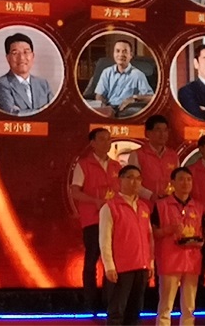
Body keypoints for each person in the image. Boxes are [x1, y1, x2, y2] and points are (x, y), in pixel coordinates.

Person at [70, 128, 120, 312]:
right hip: (92, 219)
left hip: (114, 219)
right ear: (92, 143)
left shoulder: (116, 166)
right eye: (102, 139)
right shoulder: (84, 164)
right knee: (92, 258)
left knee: (111, 259)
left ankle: (109, 300)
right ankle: (90, 302)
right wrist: (95, 201)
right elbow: (75, 192)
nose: (107, 143)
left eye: (109, 139)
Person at [99, 165, 154, 326]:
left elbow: (149, 237)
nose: (134, 182)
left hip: (141, 266)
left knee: (135, 312)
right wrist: (109, 266)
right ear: (120, 180)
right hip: (121, 269)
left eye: (138, 178)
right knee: (117, 311)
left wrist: (150, 263)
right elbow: (104, 239)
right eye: (130, 177)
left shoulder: (144, 207)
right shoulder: (110, 207)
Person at [152, 167, 203, 326]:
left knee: (189, 307)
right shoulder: (161, 205)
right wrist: (169, 230)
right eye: (181, 179)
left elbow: (203, 234)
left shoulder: (198, 207)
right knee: (166, 306)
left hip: (192, 261)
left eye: (189, 179)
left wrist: (199, 242)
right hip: (169, 260)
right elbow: (153, 232)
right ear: (172, 182)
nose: (185, 183)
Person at [0, 32, 53, 115]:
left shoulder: (43, 84)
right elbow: (13, 115)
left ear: (33, 56)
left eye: (26, 52)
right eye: (15, 53)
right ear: (8, 58)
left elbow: (54, 110)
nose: (21, 58)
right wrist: (44, 111)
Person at [127, 115, 179, 207]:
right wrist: (151, 196)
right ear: (147, 133)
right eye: (158, 130)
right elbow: (133, 183)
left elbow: (177, 180)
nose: (162, 134)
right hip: (144, 205)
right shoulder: (137, 155)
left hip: (168, 206)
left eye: (165, 130)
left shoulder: (173, 156)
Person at [93, 39, 154, 117]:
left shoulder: (138, 75)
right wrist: (104, 107)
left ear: (131, 55)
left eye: (124, 51)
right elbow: (99, 95)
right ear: (113, 54)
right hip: (109, 108)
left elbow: (151, 97)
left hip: (126, 109)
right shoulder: (106, 72)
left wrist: (134, 98)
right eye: (117, 51)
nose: (121, 54)